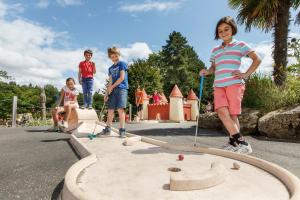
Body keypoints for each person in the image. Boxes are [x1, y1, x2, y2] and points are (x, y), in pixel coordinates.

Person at [200, 16, 261, 154]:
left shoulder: (240, 45)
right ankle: (239, 141)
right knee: (222, 112)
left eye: (226, 29)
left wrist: (245, 74)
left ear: (232, 29)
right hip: (218, 85)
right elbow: (213, 68)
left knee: (233, 115)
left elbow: (257, 59)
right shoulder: (215, 50)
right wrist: (206, 71)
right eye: (220, 30)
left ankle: (235, 142)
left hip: (234, 84)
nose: (223, 32)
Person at [99, 47, 129, 138]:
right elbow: (110, 81)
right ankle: (107, 130)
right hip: (112, 90)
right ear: (110, 57)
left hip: (121, 89)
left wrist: (112, 87)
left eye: (116, 55)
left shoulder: (122, 64)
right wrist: (106, 93)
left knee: (120, 109)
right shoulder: (110, 68)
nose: (114, 57)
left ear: (118, 55)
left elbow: (122, 78)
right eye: (112, 56)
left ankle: (122, 130)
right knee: (110, 110)